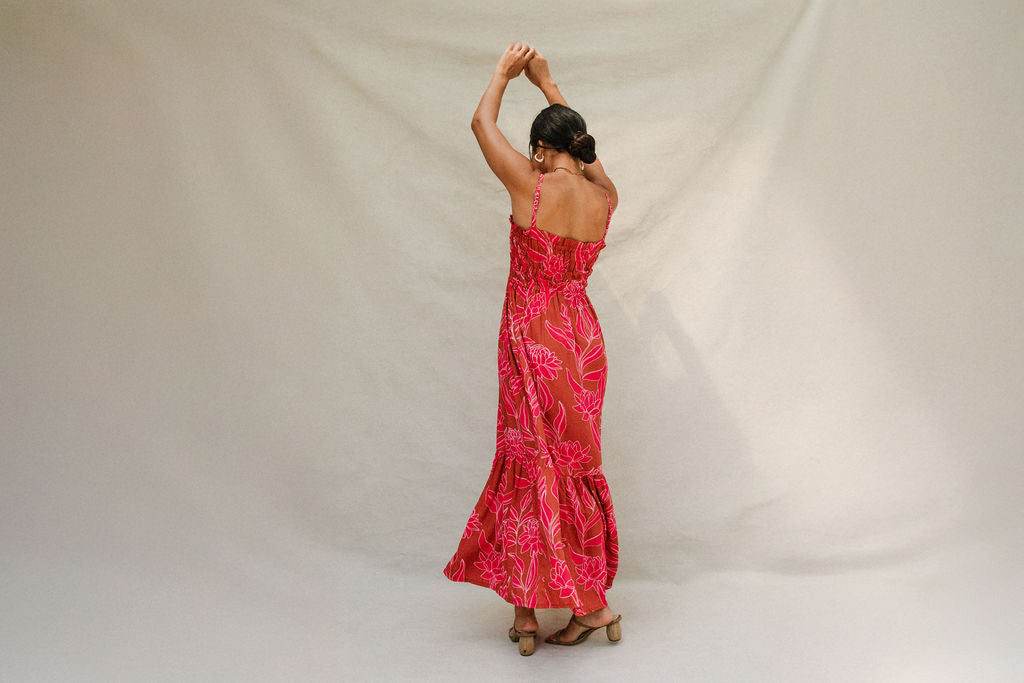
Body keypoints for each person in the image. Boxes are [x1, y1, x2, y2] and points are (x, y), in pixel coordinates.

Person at [442, 43, 622, 656]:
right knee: (568, 464)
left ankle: (546, 613)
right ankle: (580, 604)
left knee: (526, 458)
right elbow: (589, 157)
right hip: (583, 340)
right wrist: (550, 86)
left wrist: (503, 73)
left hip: (533, 333)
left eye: (539, 150)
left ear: (542, 150)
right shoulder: (604, 198)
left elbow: (479, 124)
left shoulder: (531, 183)